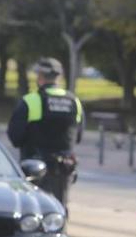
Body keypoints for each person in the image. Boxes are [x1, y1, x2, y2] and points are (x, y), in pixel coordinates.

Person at [7, 57, 83, 208]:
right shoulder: (74, 102)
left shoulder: (30, 101)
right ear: (59, 77)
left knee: (35, 211)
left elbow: (15, 137)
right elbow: (78, 137)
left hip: (34, 170)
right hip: (63, 170)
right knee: (58, 212)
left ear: (39, 77)